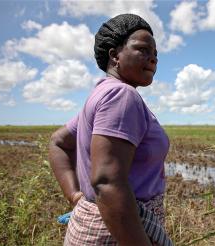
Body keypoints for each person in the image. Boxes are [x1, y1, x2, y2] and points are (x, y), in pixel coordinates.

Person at [49, 14, 172, 246]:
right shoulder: (121, 96)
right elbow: (107, 183)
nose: (153, 59)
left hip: (95, 224)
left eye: (155, 54)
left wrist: (76, 197)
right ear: (115, 55)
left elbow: (58, 141)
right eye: (143, 50)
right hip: (118, 230)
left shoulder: (102, 93)